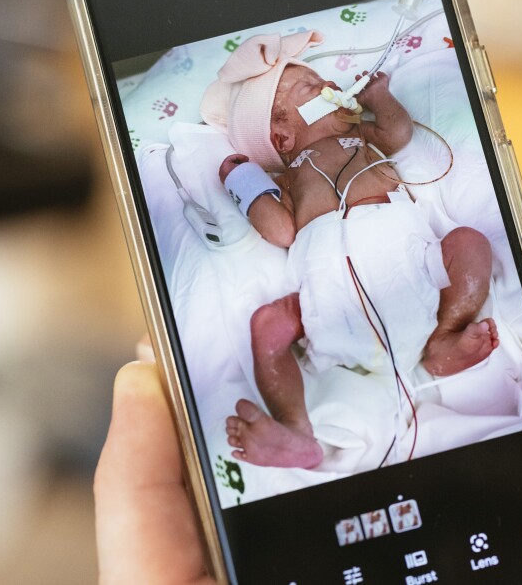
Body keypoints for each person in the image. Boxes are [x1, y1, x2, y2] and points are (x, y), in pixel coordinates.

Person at [95, 357, 522, 584]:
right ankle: (303, 438)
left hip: (410, 351)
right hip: (343, 352)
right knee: (272, 337)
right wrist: (246, 182)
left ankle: (312, 442)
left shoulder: (374, 153)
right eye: (291, 102)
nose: (317, 95)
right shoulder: (294, 187)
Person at [200, 31, 499, 470]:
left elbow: (398, 130)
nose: (328, 89)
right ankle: (296, 431)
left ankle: (442, 336)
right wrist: (244, 184)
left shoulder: (364, 141)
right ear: (282, 138)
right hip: (330, 297)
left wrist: (380, 94)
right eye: (310, 88)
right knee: (268, 324)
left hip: (409, 265)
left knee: (469, 244)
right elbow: (281, 231)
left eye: (324, 82)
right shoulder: (287, 181)